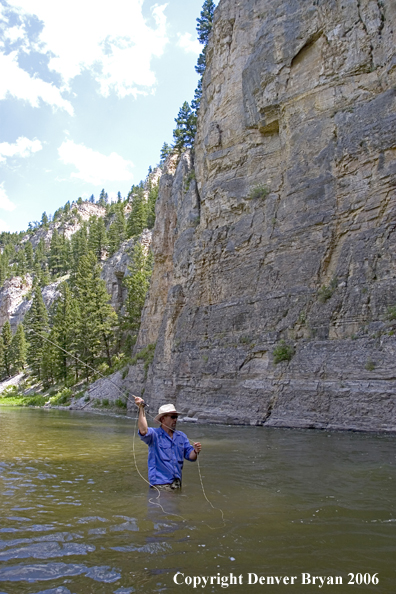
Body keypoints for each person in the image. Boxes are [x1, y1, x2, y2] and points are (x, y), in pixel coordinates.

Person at [134, 397, 201, 490]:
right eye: (172, 417)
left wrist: (196, 450)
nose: (175, 420)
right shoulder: (154, 435)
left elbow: (191, 457)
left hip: (177, 484)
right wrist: (141, 408)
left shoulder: (181, 436)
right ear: (163, 419)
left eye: (176, 417)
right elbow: (143, 430)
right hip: (159, 485)